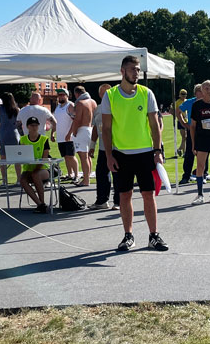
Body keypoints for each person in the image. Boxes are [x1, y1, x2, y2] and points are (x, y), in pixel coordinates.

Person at [100, 55, 168, 251]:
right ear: (122, 71)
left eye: (138, 69)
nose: (136, 73)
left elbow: (155, 125)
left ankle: (154, 236)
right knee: (124, 196)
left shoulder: (146, 93)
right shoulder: (110, 95)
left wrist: (157, 150)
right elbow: (106, 129)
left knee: (148, 194)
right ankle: (128, 236)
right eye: (132, 69)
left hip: (145, 153)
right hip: (121, 154)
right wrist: (109, 155)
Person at [89, 83, 119, 210]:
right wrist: (92, 145)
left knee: (117, 174)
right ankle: (102, 200)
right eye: (102, 93)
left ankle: (118, 202)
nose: (104, 95)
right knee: (101, 174)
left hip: (117, 147)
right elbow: (95, 128)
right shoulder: (98, 109)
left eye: (106, 93)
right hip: (103, 147)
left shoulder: (117, 107)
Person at [18, 116, 53, 214]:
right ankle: (40, 204)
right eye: (32, 125)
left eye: (36, 125)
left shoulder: (44, 139)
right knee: (22, 180)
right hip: (28, 169)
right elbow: (19, 156)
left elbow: (44, 158)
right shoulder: (22, 140)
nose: (34, 127)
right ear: (27, 127)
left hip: (43, 169)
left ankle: (42, 202)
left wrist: (36, 168)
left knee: (35, 174)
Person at [68, 85, 96, 186]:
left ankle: (86, 180)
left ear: (76, 94)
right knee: (87, 156)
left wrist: (74, 131)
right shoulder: (93, 102)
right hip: (90, 129)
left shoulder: (80, 103)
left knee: (83, 157)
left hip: (82, 130)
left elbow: (78, 119)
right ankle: (87, 177)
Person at [0, 92, 21, 186]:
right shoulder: (17, 109)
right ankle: (18, 179)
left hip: (3, 133)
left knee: (3, 158)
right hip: (14, 133)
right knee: (17, 158)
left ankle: (4, 180)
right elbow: (19, 123)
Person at [178, 84, 202, 185]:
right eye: (200, 91)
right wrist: (184, 124)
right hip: (192, 129)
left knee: (204, 152)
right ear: (196, 93)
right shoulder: (189, 102)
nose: (202, 93)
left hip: (203, 130)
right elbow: (178, 111)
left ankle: (203, 173)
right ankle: (186, 175)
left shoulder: (206, 102)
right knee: (189, 152)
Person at [52, 88, 78, 182]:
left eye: (62, 95)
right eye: (59, 95)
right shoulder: (58, 107)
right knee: (66, 157)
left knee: (71, 156)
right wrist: (52, 133)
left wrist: (69, 133)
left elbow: (75, 121)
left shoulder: (70, 105)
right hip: (60, 137)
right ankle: (70, 174)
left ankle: (76, 175)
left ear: (67, 96)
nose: (60, 97)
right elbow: (55, 122)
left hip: (69, 137)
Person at [173, 89, 188, 156]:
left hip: (187, 121)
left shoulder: (186, 101)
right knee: (184, 137)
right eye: (182, 94)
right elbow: (176, 112)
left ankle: (184, 152)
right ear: (180, 95)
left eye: (185, 95)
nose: (184, 96)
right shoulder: (177, 102)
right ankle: (179, 149)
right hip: (181, 121)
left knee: (185, 138)